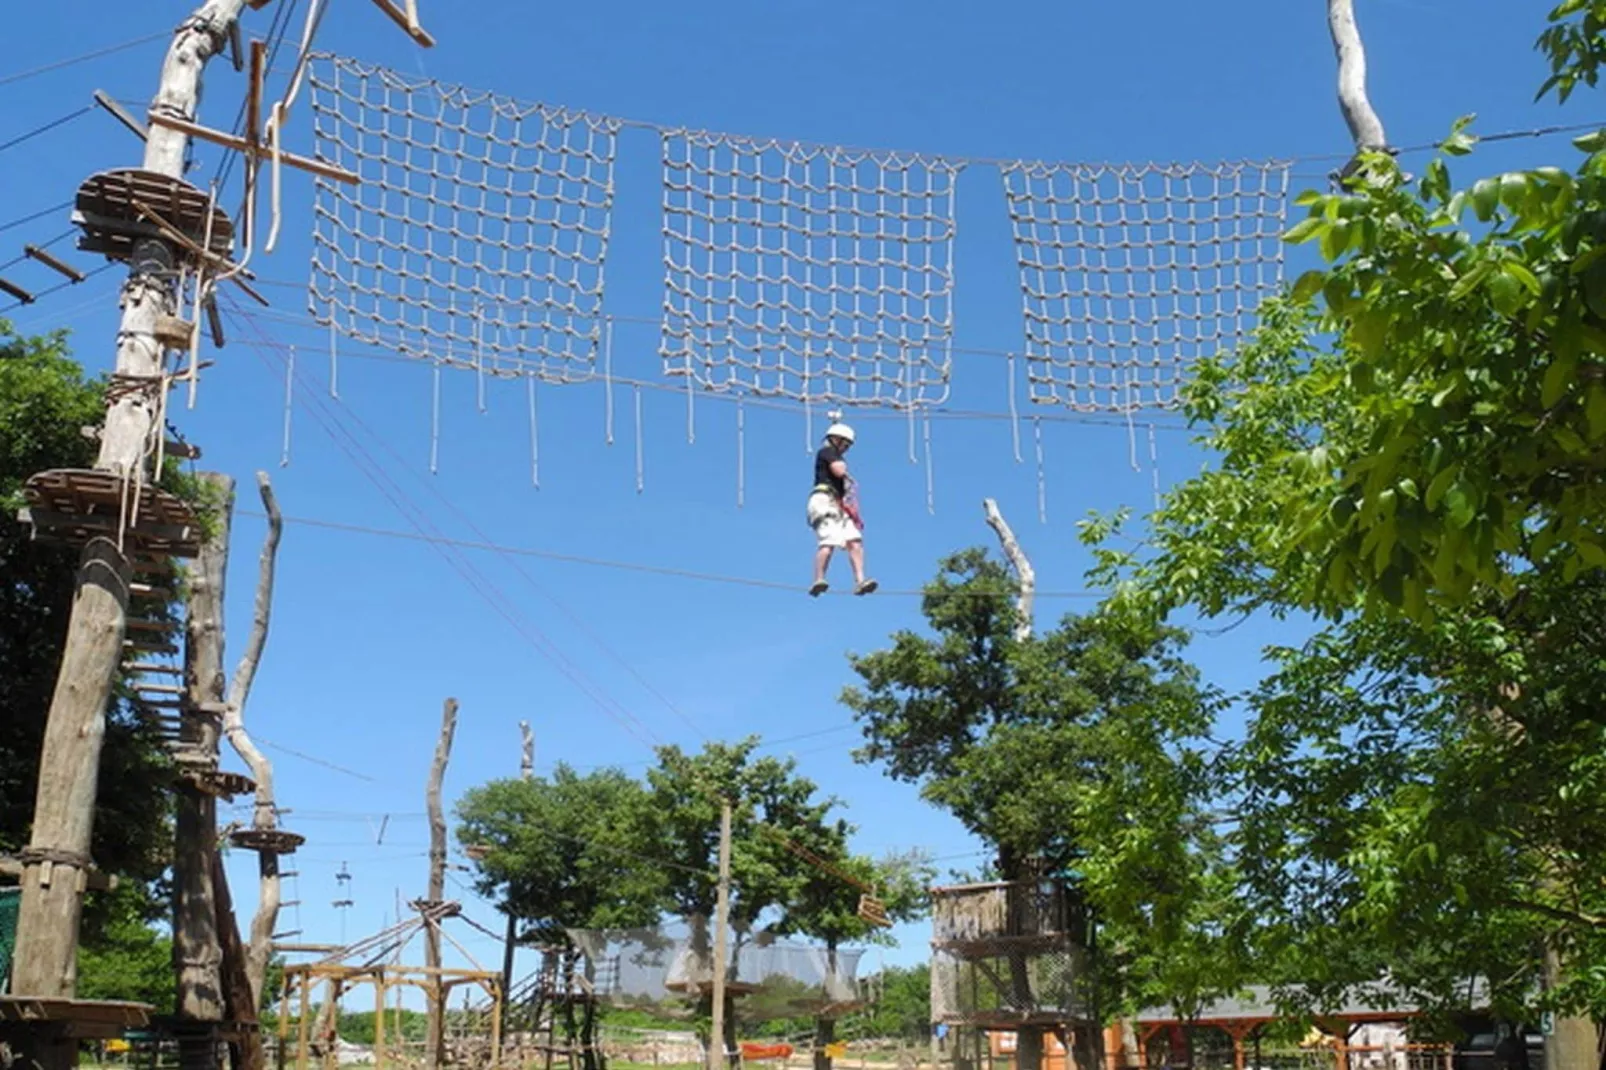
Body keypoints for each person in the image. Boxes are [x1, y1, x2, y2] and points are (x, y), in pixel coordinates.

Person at [807, 421, 876, 596]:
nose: (846, 448)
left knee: (854, 540)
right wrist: (844, 471)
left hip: (839, 504)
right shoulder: (828, 452)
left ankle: (860, 580)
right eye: (845, 444)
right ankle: (819, 579)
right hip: (824, 501)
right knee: (828, 541)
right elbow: (838, 471)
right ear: (836, 439)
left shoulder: (833, 454)